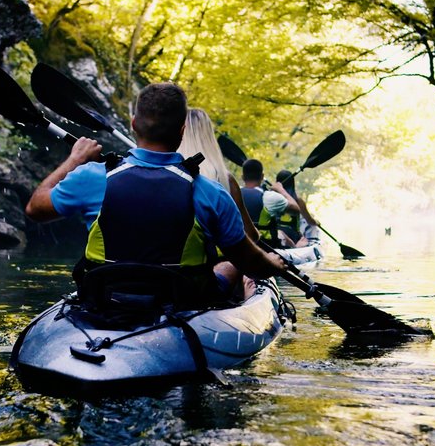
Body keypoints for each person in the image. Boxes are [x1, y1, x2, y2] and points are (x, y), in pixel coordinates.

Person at [25, 82, 285, 302]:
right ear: (182, 131)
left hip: (105, 296)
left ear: (134, 124)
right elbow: (250, 263)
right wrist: (273, 262)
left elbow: (35, 209)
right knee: (229, 264)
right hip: (181, 301)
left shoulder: (92, 176)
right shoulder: (212, 193)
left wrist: (75, 160)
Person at [177, 108, 258, 242]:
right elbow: (250, 235)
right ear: (210, 136)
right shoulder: (225, 179)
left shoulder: (167, 173)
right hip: (211, 260)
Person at [240, 159, 300, 248]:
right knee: (282, 234)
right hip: (265, 245)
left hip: (240, 244)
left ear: (243, 177)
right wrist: (280, 189)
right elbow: (296, 210)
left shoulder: (231, 194)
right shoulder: (270, 197)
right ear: (262, 176)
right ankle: (295, 250)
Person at [275, 169, 320, 246]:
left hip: (276, 233)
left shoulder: (272, 198)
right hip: (293, 236)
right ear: (292, 183)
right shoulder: (298, 200)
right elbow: (309, 221)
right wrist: (316, 223)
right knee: (304, 239)